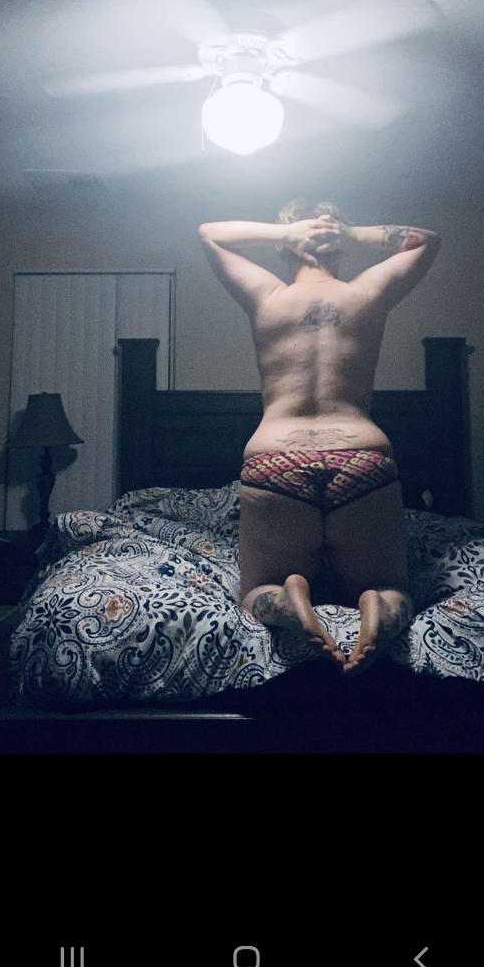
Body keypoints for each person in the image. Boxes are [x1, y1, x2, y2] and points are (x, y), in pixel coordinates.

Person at [199, 198, 441, 677]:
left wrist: (285, 233)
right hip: (361, 457)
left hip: (276, 458)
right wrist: (352, 234)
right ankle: (379, 604)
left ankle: (282, 601)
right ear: (340, 247)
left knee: (255, 592)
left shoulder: (267, 295)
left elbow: (210, 232)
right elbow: (427, 242)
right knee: (394, 587)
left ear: (286, 248)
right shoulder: (366, 293)